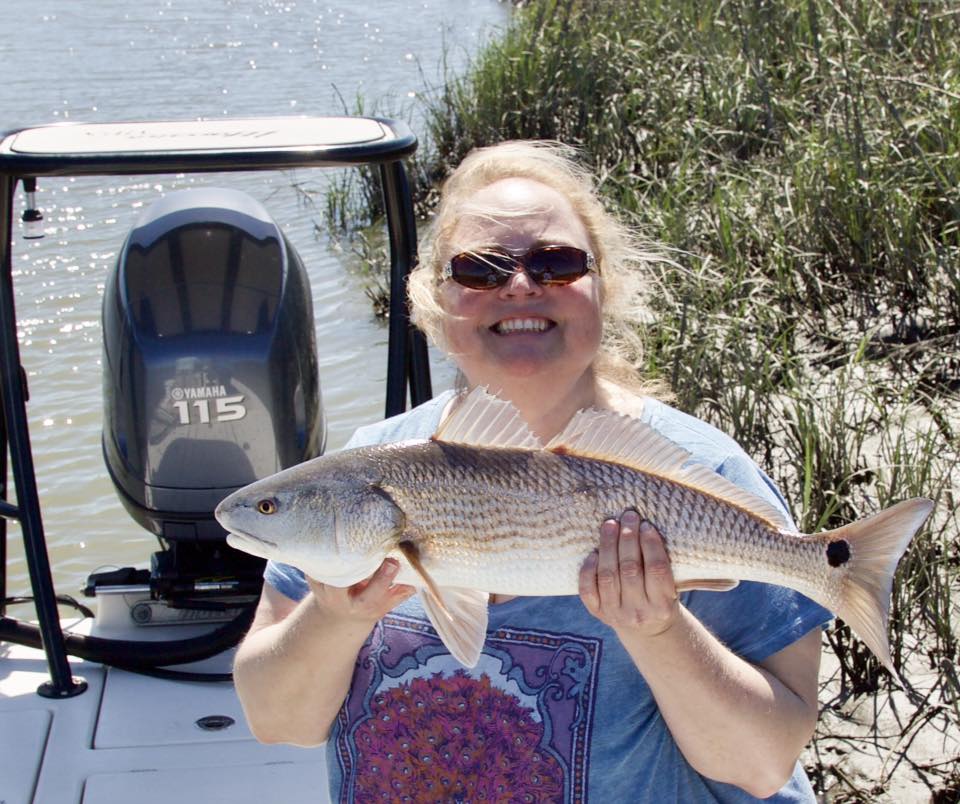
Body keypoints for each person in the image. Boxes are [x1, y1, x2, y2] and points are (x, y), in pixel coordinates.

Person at [232, 141, 831, 802]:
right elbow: (277, 721)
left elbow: (763, 765)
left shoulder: (700, 474)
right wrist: (334, 617)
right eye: (480, 269)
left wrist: (659, 631)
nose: (520, 285)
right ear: (434, 300)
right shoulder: (365, 466)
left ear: (605, 286)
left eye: (556, 263)